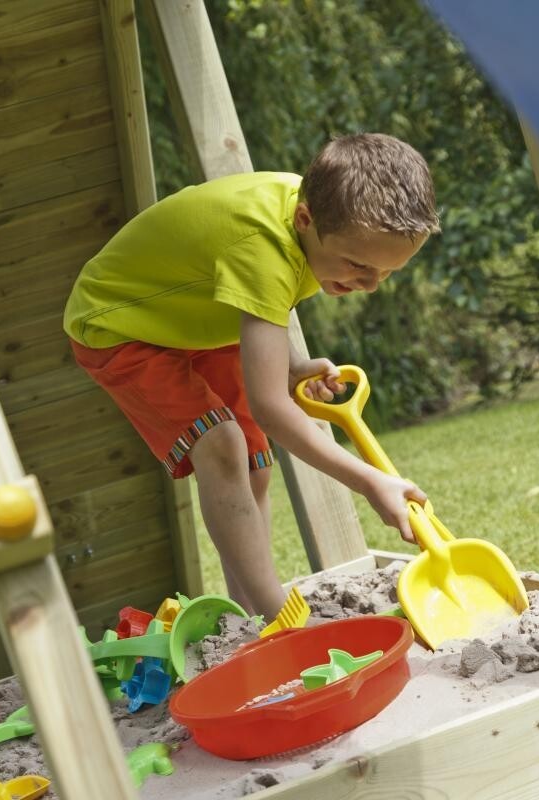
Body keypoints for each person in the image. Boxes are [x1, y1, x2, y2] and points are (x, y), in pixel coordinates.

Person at [64, 132, 440, 621]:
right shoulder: (263, 247)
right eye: (358, 266)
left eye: (387, 273)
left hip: (195, 318)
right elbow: (270, 407)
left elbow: (266, 303)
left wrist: (291, 365)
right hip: (118, 324)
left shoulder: (319, 215)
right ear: (305, 220)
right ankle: (276, 610)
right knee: (221, 443)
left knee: (255, 464)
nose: (369, 285)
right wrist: (370, 481)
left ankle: (247, 611)